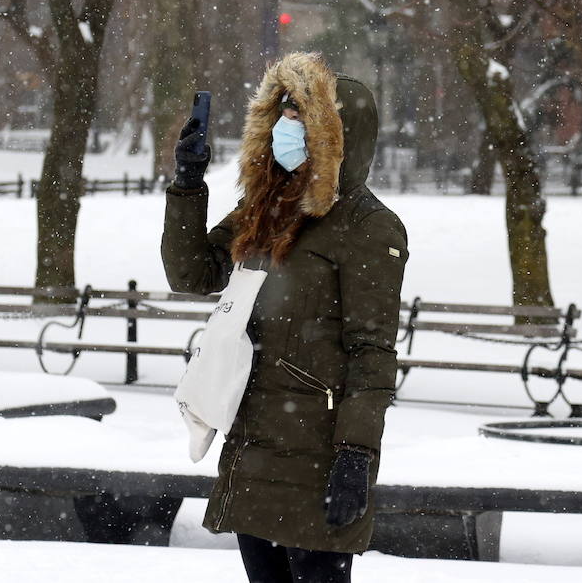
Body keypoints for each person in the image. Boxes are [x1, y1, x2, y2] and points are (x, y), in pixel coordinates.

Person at [161, 52, 408, 583]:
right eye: (283, 113)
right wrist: (187, 182)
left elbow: (372, 352)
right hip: (254, 444)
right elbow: (192, 274)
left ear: (335, 135)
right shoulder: (267, 208)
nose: (285, 126)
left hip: (317, 453)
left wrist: (356, 454)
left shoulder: (368, 226)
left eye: (299, 116)